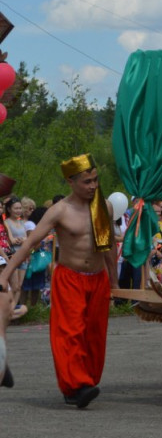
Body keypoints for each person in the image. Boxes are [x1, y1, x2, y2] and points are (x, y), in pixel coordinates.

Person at [0, 154, 118, 408]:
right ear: (70, 182)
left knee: (95, 335)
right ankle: (77, 385)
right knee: (70, 332)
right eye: (87, 182)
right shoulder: (59, 211)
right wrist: (5, 274)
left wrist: (115, 283)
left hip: (98, 279)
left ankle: (84, 382)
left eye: (95, 180)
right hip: (70, 278)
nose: (93, 186)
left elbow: (108, 246)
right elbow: (30, 244)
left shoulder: (104, 206)